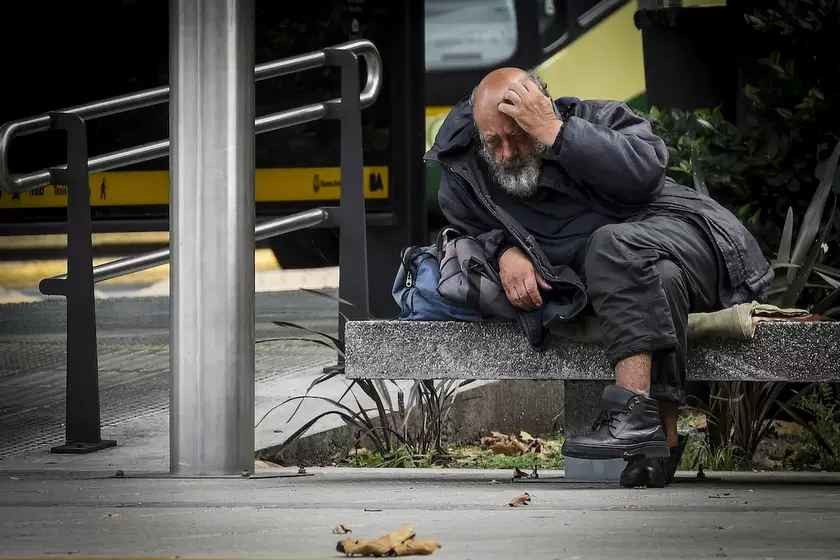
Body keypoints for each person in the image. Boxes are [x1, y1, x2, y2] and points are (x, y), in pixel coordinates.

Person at [423, 67, 772, 480]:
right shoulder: (466, 172)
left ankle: (629, 410)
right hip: (644, 270)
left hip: (692, 237)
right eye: (492, 141)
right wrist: (504, 250)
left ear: (543, 108)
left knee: (612, 245)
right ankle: (660, 443)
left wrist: (556, 131)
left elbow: (645, 173)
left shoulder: (599, 119)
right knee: (657, 279)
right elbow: (466, 231)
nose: (504, 153)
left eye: (517, 136)